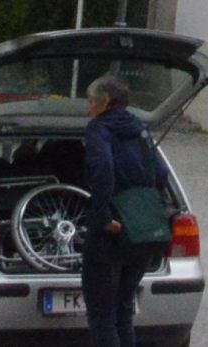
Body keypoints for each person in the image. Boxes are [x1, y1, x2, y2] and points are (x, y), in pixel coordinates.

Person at [79, 73, 166, 347]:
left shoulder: (98, 129)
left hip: (110, 232)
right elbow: (161, 174)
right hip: (139, 232)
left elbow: (103, 170)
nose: (88, 108)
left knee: (102, 314)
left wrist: (103, 216)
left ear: (104, 101)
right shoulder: (140, 129)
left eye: (91, 101)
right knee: (123, 311)